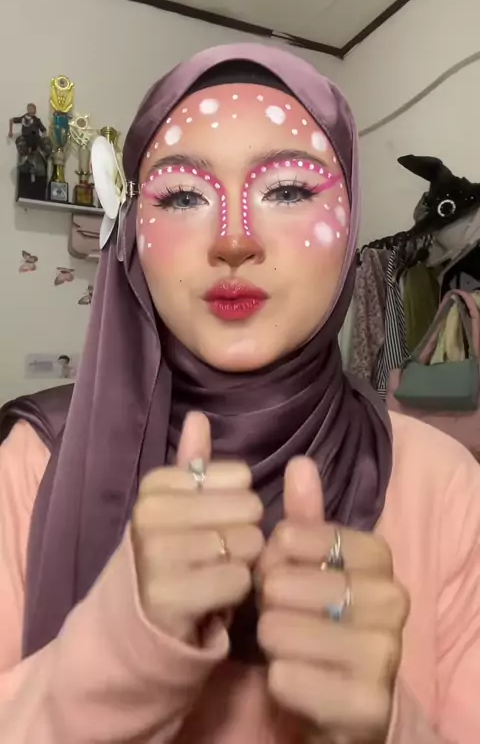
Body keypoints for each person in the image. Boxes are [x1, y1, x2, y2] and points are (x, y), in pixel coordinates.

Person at [0, 43, 479, 744]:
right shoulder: (32, 464)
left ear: (352, 221)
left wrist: (393, 728)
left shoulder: (444, 485)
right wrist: (108, 664)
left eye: (287, 191)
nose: (233, 240)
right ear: (132, 230)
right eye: (182, 196)